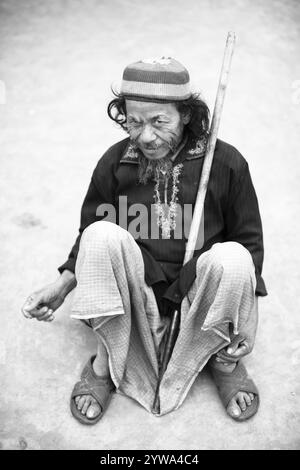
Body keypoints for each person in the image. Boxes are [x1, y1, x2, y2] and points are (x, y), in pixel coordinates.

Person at [22, 57, 267, 424]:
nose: (146, 135)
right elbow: (89, 237)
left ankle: (223, 360)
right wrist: (62, 284)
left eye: (159, 121)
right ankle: (105, 363)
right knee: (101, 234)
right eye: (134, 122)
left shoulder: (226, 163)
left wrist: (249, 315)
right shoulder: (115, 162)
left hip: (199, 298)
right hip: (135, 300)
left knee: (232, 257)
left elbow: (249, 245)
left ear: (186, 114)